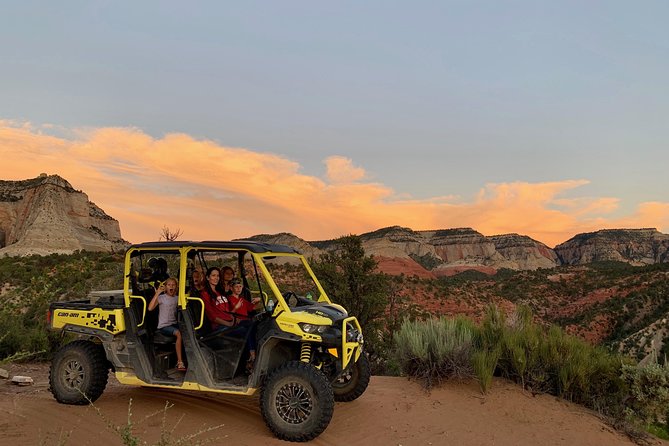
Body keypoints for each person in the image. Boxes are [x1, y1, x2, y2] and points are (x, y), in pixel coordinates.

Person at [148, 277, 186, 372]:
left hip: (174, 324)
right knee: (178, 334)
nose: (171, 287)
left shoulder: (178, 299)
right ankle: (180, 362)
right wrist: (157, 293)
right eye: (169, 285)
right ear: (165, 287)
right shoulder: (162, 298)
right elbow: (150, 308)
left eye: (173, 285)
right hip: (164, 326)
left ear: (176, 287)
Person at [228, 278, 261, 372]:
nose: (239, 289)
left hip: (246, 322)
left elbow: (251, 308)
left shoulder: (242, 299)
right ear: (231, 288)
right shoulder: (229, 299)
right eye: (236, 287)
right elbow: (228, 314)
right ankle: (252, 354)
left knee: (255, 325)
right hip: (238, 324)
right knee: (249, 326)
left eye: (240, 286)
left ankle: (253, 354)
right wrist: (236, 308)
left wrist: (257, 301)